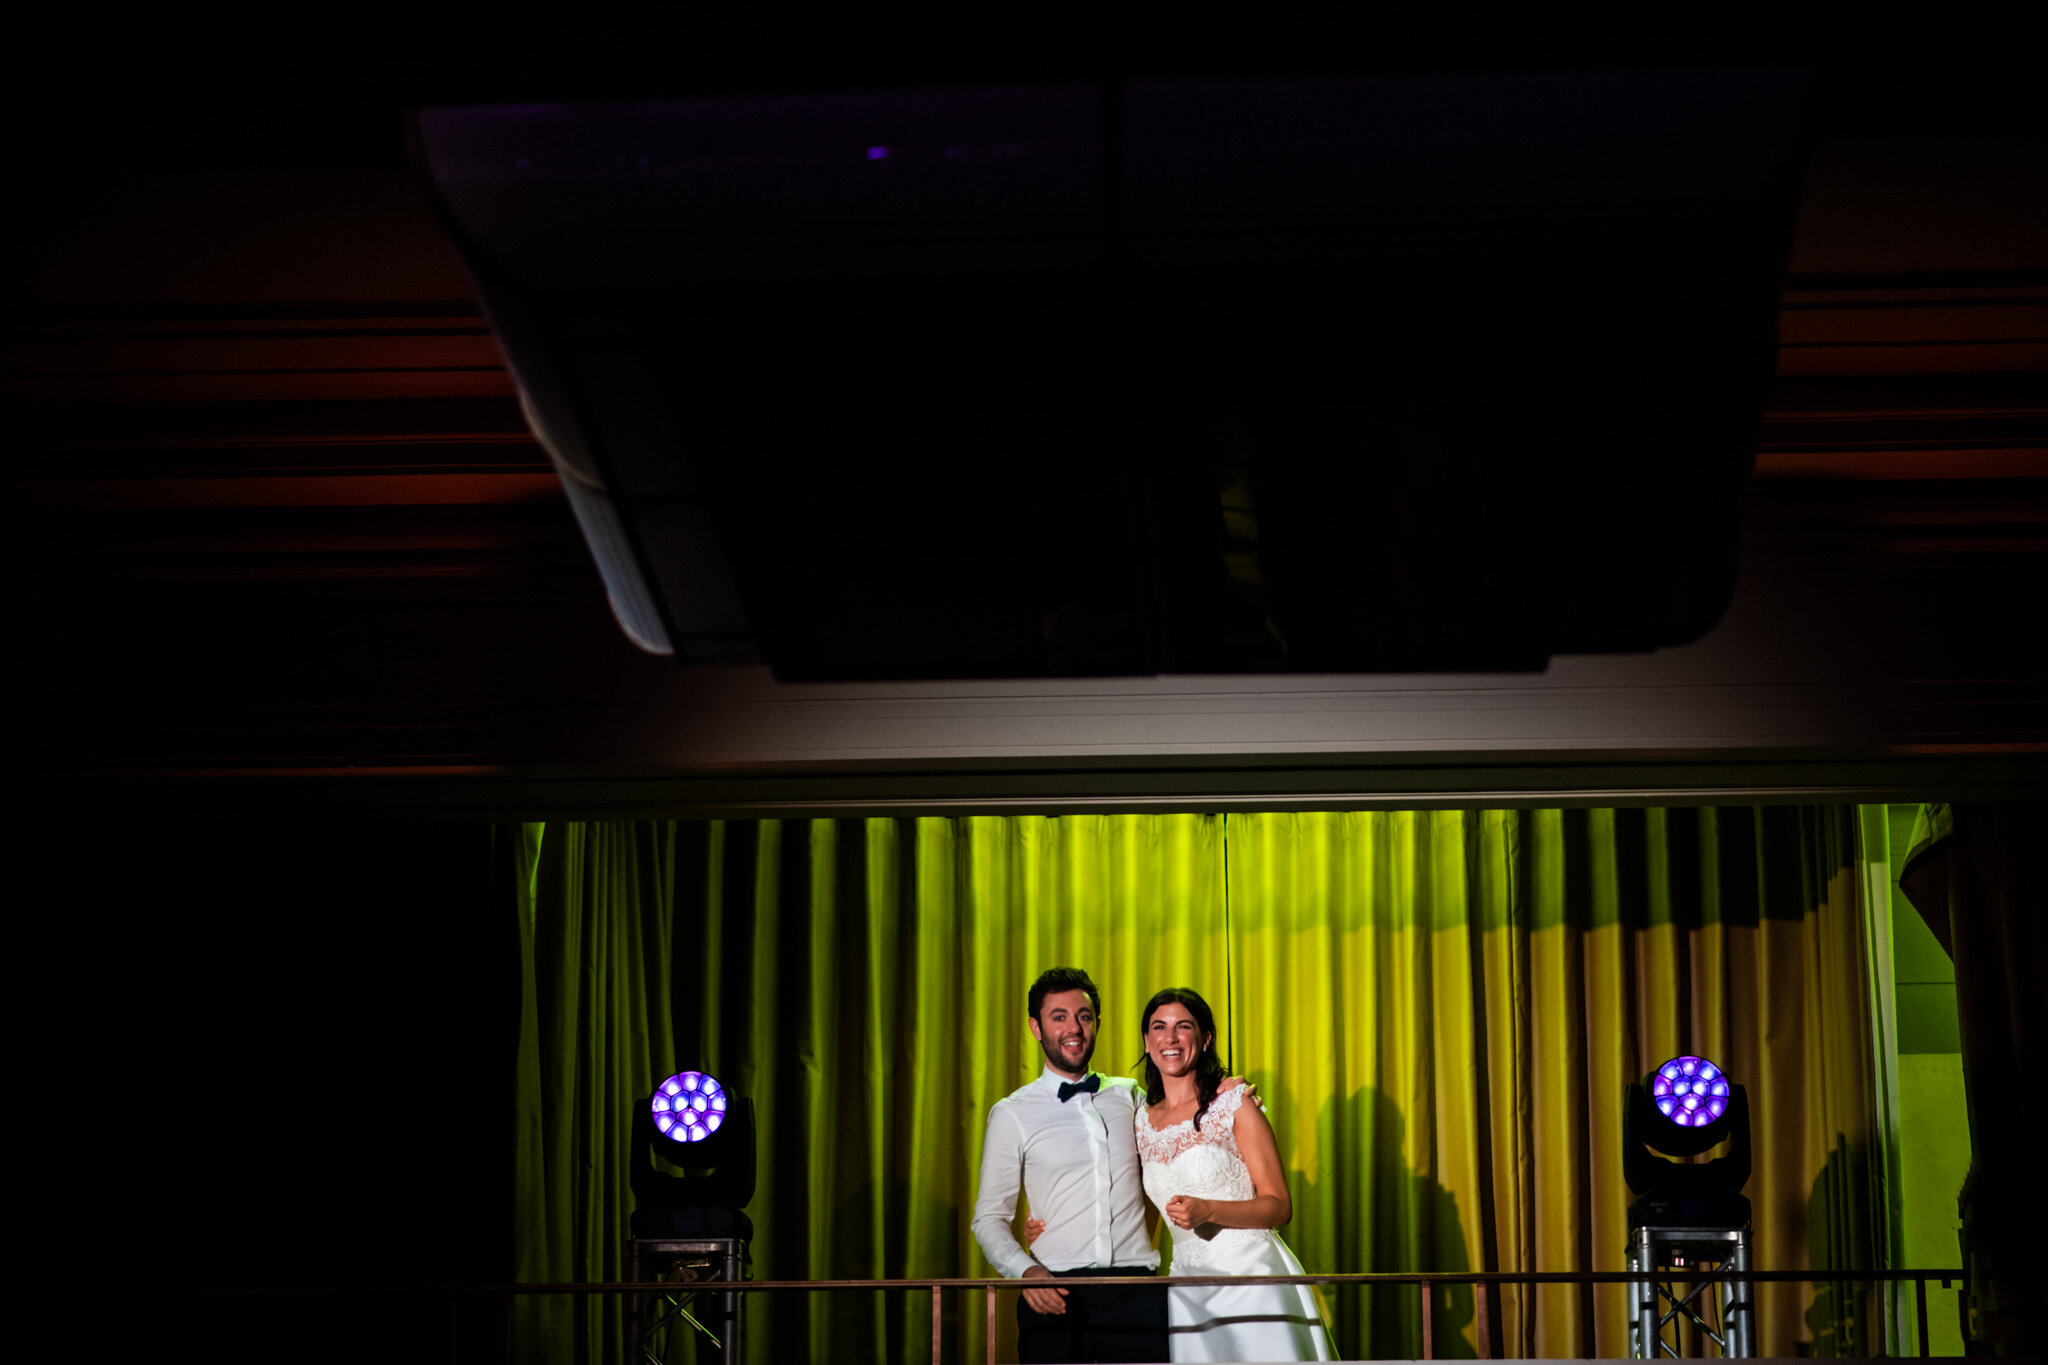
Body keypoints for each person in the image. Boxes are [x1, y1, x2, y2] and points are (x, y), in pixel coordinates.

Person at [971, 967, 1168, 1363]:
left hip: (1138, 1293)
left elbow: (1181, 1135)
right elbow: (989, 1219)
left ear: (1097, 1024)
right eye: (1058, 1017)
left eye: (1083, 1016)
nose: (1074, 1028)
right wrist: (1026, 1273)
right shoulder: (1011, 1113)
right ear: (1036, 1028)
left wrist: (1222, 1093)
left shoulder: (1130, 1095)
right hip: (1054, 1291)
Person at [1134, 986, 1332, 1362]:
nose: (1170, 1038)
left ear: (1206, 1039)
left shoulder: (1234, 1104)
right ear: (1147, 1041)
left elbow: (1279, 1206)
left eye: (1183, 1026)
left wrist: (1208, 1210)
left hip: (1251, 1279)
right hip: (1189, 1289)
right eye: (1159, 1027)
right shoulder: (1141, 1120)